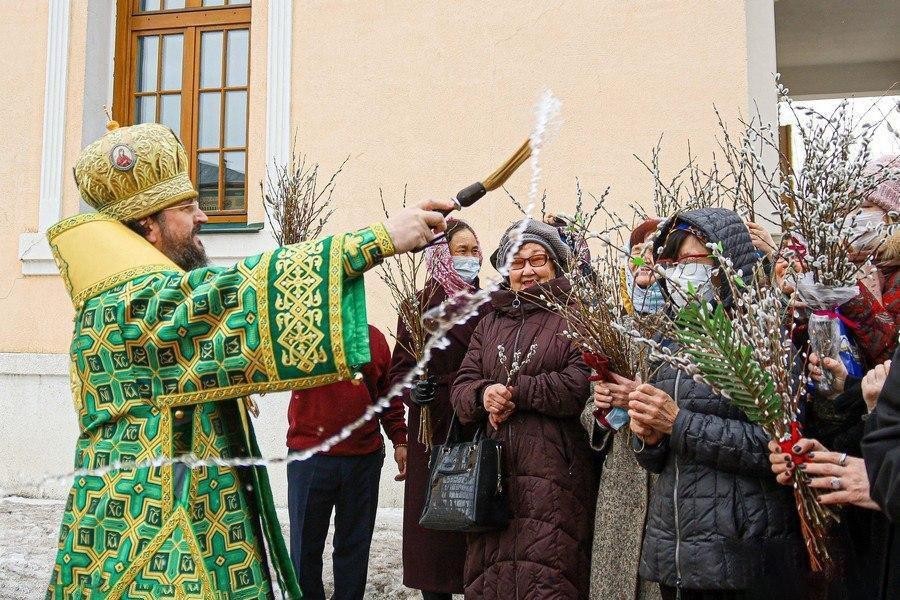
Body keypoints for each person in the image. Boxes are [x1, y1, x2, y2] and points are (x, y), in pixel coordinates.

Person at [45, 121, 452, 599]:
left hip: (187, 514)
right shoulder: (125, 303)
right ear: (147, 227)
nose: (202, 218)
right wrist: (377, 239)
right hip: (147, 535)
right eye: (186, 207)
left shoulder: (143, 293)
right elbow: (233, 296)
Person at [628, 208, 808, 600]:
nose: (678, 272)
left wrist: (677, 423)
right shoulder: (673, 340)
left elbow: (774, 447)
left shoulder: (763, 337)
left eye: (691, 261)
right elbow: (657, 461)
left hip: (741, 546)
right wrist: (649, 438)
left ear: (727, 262)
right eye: (670, 263)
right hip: (675, 549)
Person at [450, 219, 595, 599]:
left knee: (549, 577)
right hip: (491, 479)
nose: (527, 270)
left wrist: (516, 392)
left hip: (553, 475)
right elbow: (462, 385)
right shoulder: (489, 321)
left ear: (556, 266)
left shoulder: (577, 316)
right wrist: (484, 396)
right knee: (491, 578)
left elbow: (580, 383)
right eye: (517, 262)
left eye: (538, 260)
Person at [389, 218, 492, 600]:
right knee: (434, 534)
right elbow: (399, 369)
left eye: (473, 251)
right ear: (441, 256)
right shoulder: (418, 306)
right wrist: (416, 389)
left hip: (478, 423)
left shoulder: (491, 304)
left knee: (477, 518)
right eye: (459, 251)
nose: (469, 258)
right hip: (431, 429)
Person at [286, 325, 407, 600]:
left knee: (355, 544)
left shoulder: (372, 337)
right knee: (305, 546)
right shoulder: (297, 330)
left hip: (363, 458)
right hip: (309, 456)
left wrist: (399, 438)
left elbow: (388, 394)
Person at [581, 218, 663, 600]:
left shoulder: (694, 329)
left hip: (667, 480)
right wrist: (598, 408)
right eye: (637, 253)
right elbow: (588, 409)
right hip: (621, 480)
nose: (646, 260)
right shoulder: (615, 327)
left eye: (656, 252)